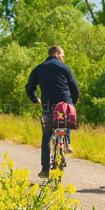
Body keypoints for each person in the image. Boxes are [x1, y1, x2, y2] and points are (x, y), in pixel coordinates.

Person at [26, 45, 79, 178]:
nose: (63, 58)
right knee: (67, 119)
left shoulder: (39, 68)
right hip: (65, 105)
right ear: (56, 54)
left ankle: (45, 169)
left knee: (47, 137)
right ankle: (67, 142)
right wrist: (73, 102)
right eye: (62, 55)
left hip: (48, 107)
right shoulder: (65, 68)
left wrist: (35, 99)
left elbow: (29, 87)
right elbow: (74, 87)